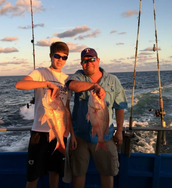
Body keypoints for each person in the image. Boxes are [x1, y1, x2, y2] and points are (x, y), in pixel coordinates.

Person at [15, 41, 77, 188]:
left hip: (60, 133)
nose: (60, 60)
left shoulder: (67, 80)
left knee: (55, 171)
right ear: (51, 55)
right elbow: (19, 84)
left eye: (64, 57)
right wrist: (46, 84)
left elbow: (66, 109)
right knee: (33, 174)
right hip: (40, 132)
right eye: (57, 56)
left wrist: (72, 134)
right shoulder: (40, 73)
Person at [66, 47, 127, 188]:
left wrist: (119, 131)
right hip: (80, 138)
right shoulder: (78, 76)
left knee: (107, 173)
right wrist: (94, 87)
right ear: (81, 64)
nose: (88, 63)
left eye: (92, 59)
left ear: (98, 60)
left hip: (105, 137)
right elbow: (72, 85)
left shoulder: (113, 80)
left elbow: (120, 107)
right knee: (78, 173)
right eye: (85, 61)